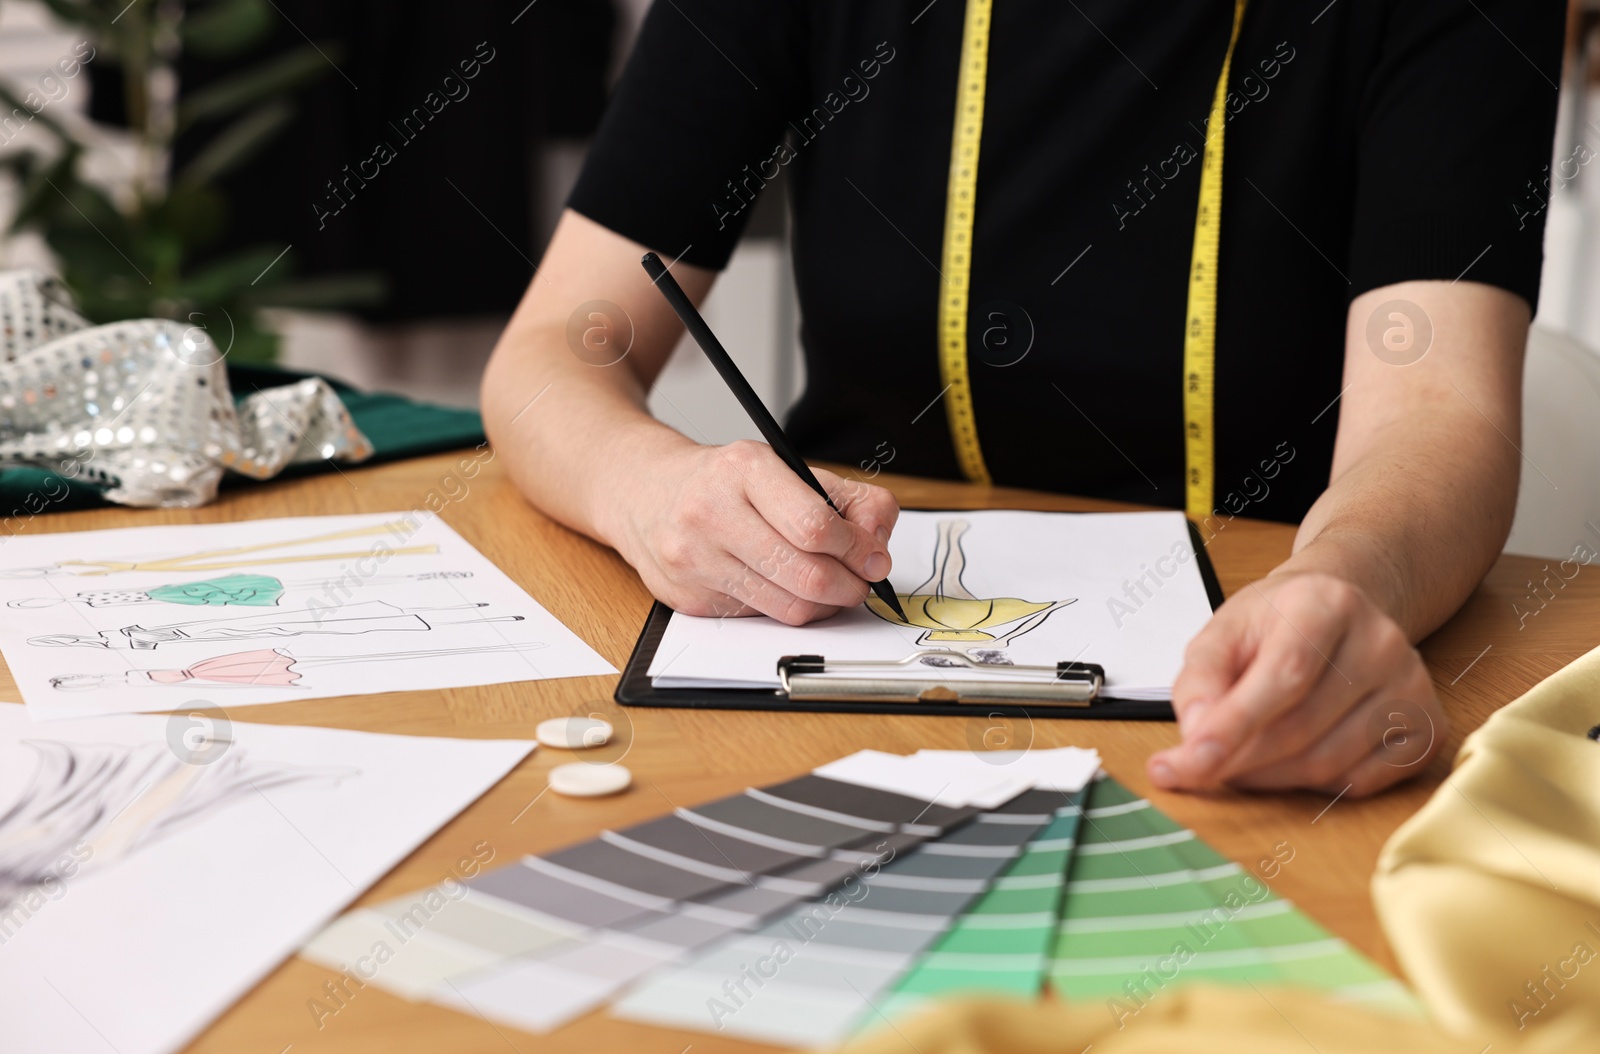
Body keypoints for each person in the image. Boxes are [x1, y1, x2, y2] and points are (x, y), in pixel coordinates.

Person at [482, 0, 1566, 797]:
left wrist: (1347, 585)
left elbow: (1440, 415)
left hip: (1245, 684)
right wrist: (654, 489)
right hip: (828, 649)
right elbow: (552, 353)